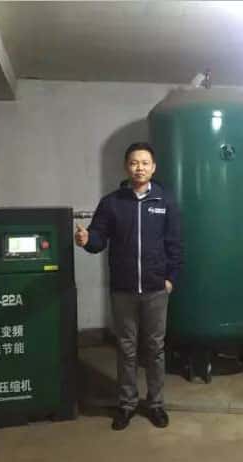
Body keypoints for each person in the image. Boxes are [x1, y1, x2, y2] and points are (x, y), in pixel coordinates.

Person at [74, 142, 182, 430]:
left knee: (155, 349)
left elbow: (175, 244)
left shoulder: (165, 201)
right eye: (134, 163)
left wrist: (170, 278)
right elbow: (98, 237)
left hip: (156, 289)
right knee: (126, 348)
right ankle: (127, 404)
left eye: (145, 163)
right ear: (126, 167)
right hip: (123, 290)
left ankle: (156, 404)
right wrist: (87, 240)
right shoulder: (112, 203)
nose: (139, 168)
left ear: (153, 167)